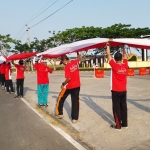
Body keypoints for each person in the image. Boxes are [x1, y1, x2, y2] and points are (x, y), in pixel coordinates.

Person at [106, 42, 128, 131]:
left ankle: (118, 126)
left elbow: (108, 55)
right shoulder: (125, 65)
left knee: (116, 108)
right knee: (123, 106)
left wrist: (108, 46)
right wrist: (123, 47)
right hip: (123, 90)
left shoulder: (114, 66)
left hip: (116, 90)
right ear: (121, 58)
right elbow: (125, 56)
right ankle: (125, 124)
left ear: (115, 59)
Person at [55, 52, 81, 124]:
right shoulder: (75, 62)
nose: (62, 63)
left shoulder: (67, 67)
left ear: (64, 60)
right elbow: (79, 59)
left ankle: (59, 114)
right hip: (77, 85)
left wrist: (63, 84)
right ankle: (74, 118)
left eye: (62, 62)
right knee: (75, 101)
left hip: (69, 86)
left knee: (60, 98)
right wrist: (77, 52)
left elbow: (69, 78)